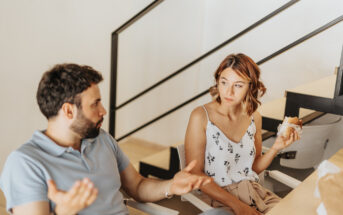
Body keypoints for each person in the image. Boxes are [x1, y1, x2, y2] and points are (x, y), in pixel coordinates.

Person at [0, 63, 212, 215]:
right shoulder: (25, 163)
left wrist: (171, 186)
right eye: (95, 104)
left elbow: (137, 186)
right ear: (68, 111)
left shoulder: (101, 139)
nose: (103, 110)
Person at [184, 53, 300, 215]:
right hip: (219, 198)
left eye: (238, 85)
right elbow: (195, 173)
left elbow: (252, 168)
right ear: (217, 80)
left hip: (255, 193)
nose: (228, 92)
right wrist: (238, 205)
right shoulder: (201, 116)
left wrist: (275, 148)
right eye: (224, 82)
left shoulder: (254, 117)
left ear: (250, 87)